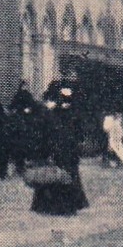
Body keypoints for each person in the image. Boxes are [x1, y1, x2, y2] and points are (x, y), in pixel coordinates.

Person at [30, 83, 88, 216]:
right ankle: (55, 205)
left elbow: (79, 133)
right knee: (56, 175)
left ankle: (61, 205)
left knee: (63, 176)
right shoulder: (57, 113)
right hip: (60, 149)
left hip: (65, 150)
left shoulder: (67, 113)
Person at [7, 81, 39, 175]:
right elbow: (12, 106)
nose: (25, 87)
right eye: (24, 86)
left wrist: (29, 110)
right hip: (19, 118)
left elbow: (33, 106)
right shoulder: (18, 95)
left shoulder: (28, 95)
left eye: (26, 86)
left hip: (27, 119)